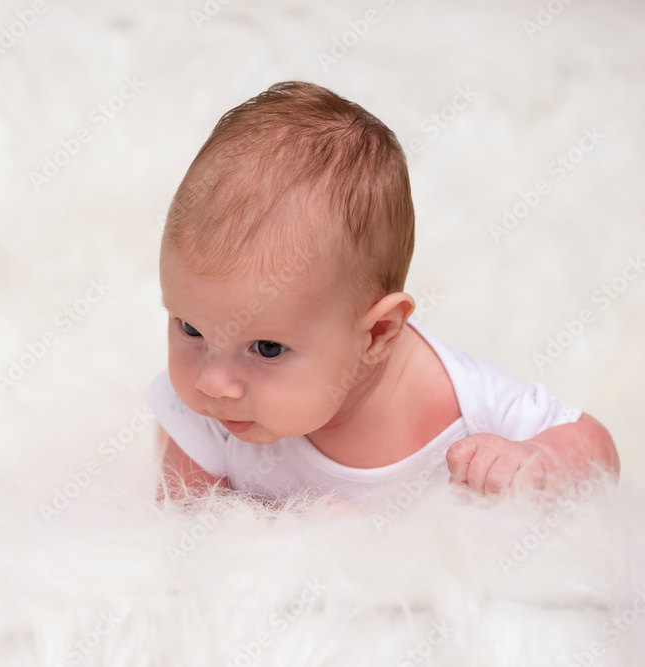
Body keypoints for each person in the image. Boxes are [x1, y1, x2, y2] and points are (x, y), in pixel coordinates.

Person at [148, 81, 619, 507]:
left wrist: (535, 461)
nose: (212, 382)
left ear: (376, 334)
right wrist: (283, 530)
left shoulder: (460, 402)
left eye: (267, 348)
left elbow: (597, 451)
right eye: (189, 327)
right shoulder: (208, 409)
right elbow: (186, 524)